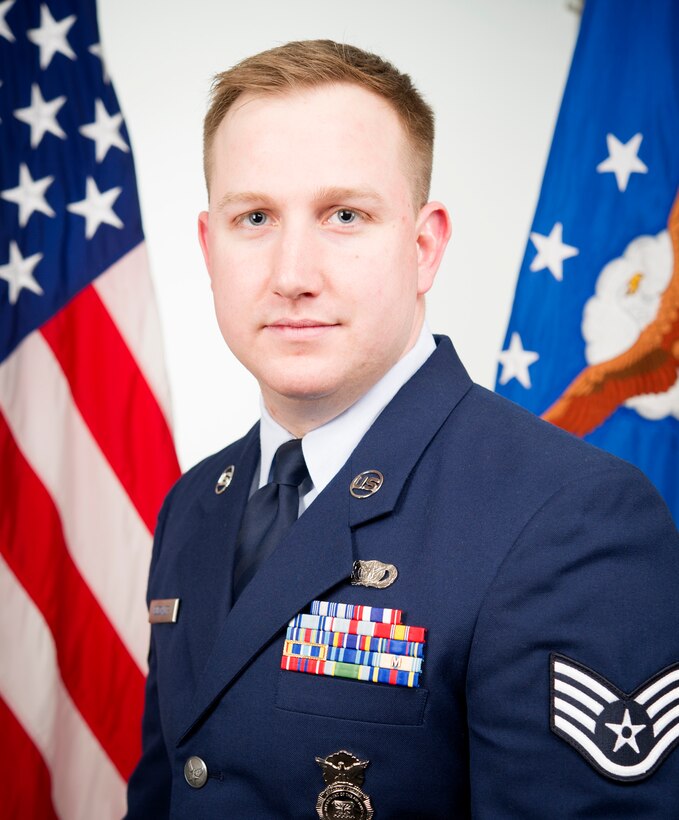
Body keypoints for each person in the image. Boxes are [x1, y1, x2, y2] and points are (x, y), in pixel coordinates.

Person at [126, 40, 679, 818]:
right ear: (208, 248)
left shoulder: (571, 518)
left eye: (343, 215)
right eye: (254, 217)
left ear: (423, 248)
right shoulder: (195, 502)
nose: (292, 273)